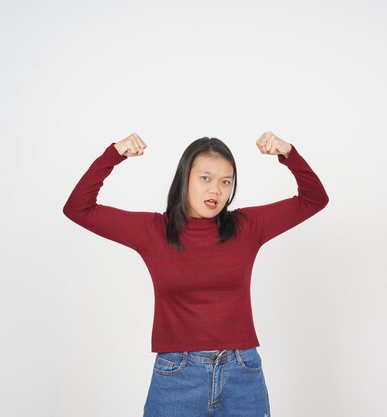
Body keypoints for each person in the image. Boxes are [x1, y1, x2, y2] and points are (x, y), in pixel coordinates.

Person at [63, 131, 329, 417]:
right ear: (184, 179)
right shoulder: (152, 231)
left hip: (242, 373)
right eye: (205, 178)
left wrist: (288, 154)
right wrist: (112, 155)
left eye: (225, 181)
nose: (216, 190)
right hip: (177, 376)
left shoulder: (246, 227)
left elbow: (314, 200)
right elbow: (78, 208)